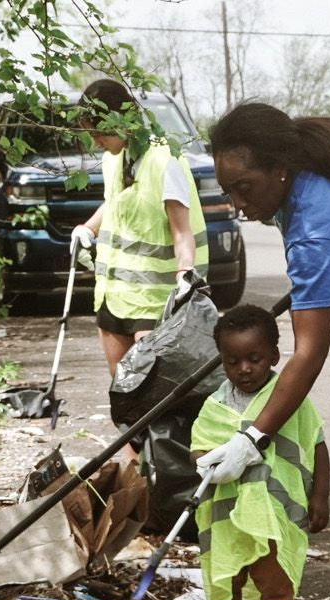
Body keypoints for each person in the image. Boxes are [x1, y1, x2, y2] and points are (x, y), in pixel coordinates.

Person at [206, 103, 330, 600]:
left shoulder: (315, 226)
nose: (239, 203)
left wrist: (251, 436)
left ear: (280, 169)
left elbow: (308, 354)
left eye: (244, 187)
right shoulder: (303, 181)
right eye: (228, 192)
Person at [188, 305, 330, 600]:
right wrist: (207, 462)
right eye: (233, 361)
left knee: (276, 584)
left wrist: (320, 497)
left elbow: (315, 442)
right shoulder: (214, 406)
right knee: (223, 582)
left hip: (272, 515)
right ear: (222, 361)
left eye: (254, 359)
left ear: (274, 356)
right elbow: (198, 448)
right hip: (226, 519)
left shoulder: (287, 399)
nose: (244, 369)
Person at [70, 78, 210, 377]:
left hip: (152, 303)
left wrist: (186, 274)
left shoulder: (164, 159)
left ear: (119, 120)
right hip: (113, 295)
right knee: (121, 388)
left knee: (151, 391)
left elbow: (182, 229)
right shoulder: (114, 159)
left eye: (97, 133)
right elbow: (115, 202)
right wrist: (87, 229)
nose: (95, 142)